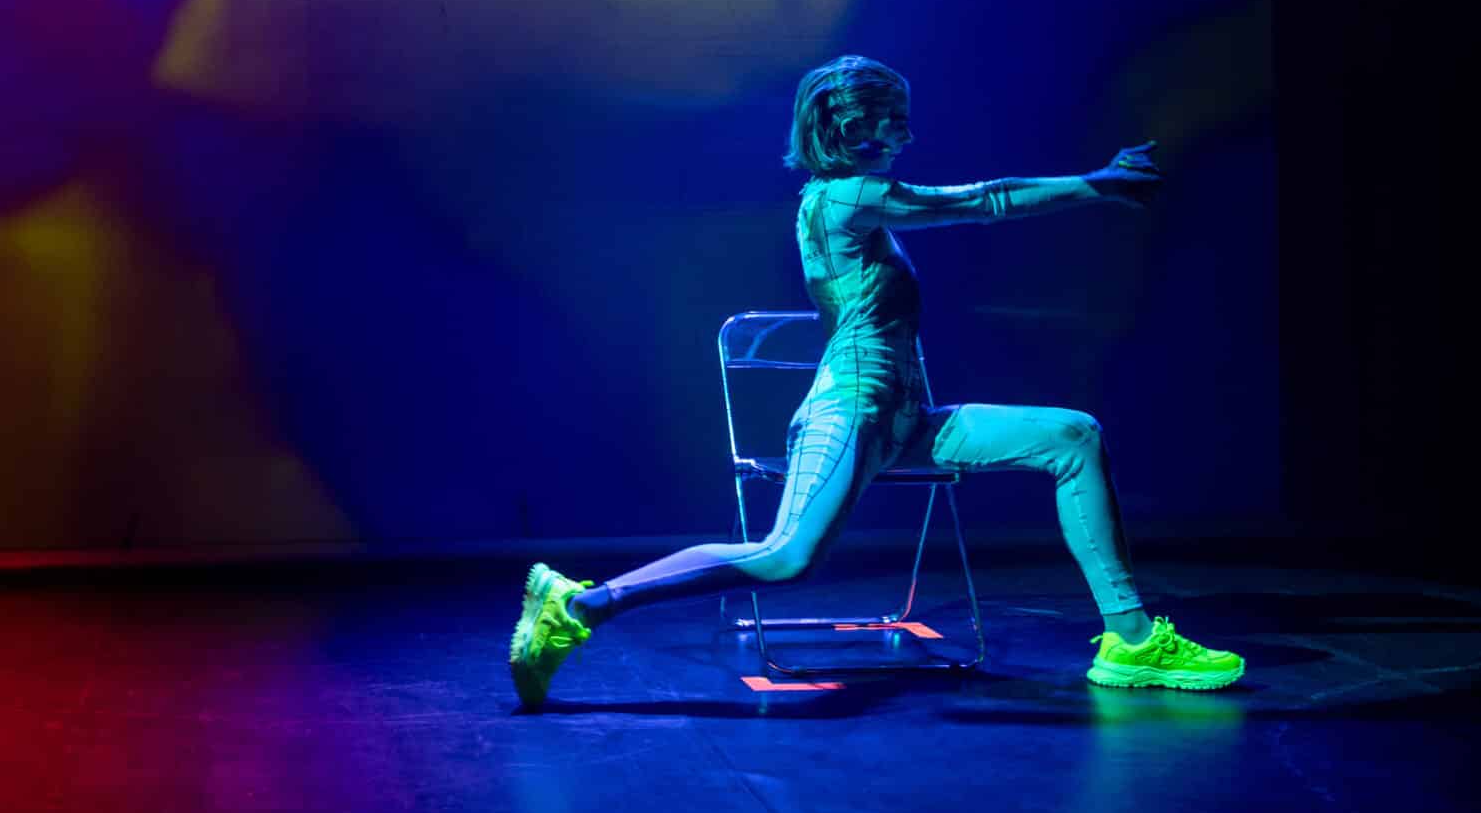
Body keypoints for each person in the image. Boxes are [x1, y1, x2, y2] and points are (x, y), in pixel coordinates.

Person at [508, 54, 1244, 708]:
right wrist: (1096, 184)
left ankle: (1131, 640)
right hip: (851, 414)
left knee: (1073, 436)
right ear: (851, 124)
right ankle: (580, 605)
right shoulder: (844, 198)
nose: (906, 134)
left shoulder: (847, 202)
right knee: (785, 555)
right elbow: (979, 201)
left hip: (906, 420)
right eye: (893, 119)